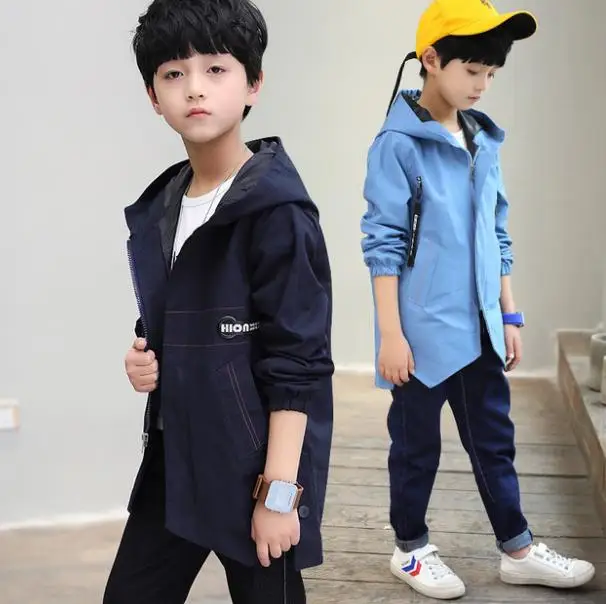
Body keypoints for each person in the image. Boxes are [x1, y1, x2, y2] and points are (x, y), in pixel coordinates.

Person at [361, 0, 595, 599]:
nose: (482, 85)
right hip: (421, 336)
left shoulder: (482, 139)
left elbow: (496, 231)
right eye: (472, 70)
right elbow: (383, 245)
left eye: (491, 73)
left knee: (494, 441)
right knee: (416, 448)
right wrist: (391, 335)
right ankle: (410, 549)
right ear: (431, 60)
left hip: (482, 328)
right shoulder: (397, 144)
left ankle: (517, 549)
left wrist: (508, 312)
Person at [102, 1, 333, 602]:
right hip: (176, 456)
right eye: (173, 73)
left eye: (216, 69)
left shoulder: (278, 212)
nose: (194, 88)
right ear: (153, 96)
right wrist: (147, 358)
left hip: (254, 466)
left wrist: (278, 496)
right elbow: (188, 314)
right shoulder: (164, 204)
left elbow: (299, 364)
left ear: (254, 83)